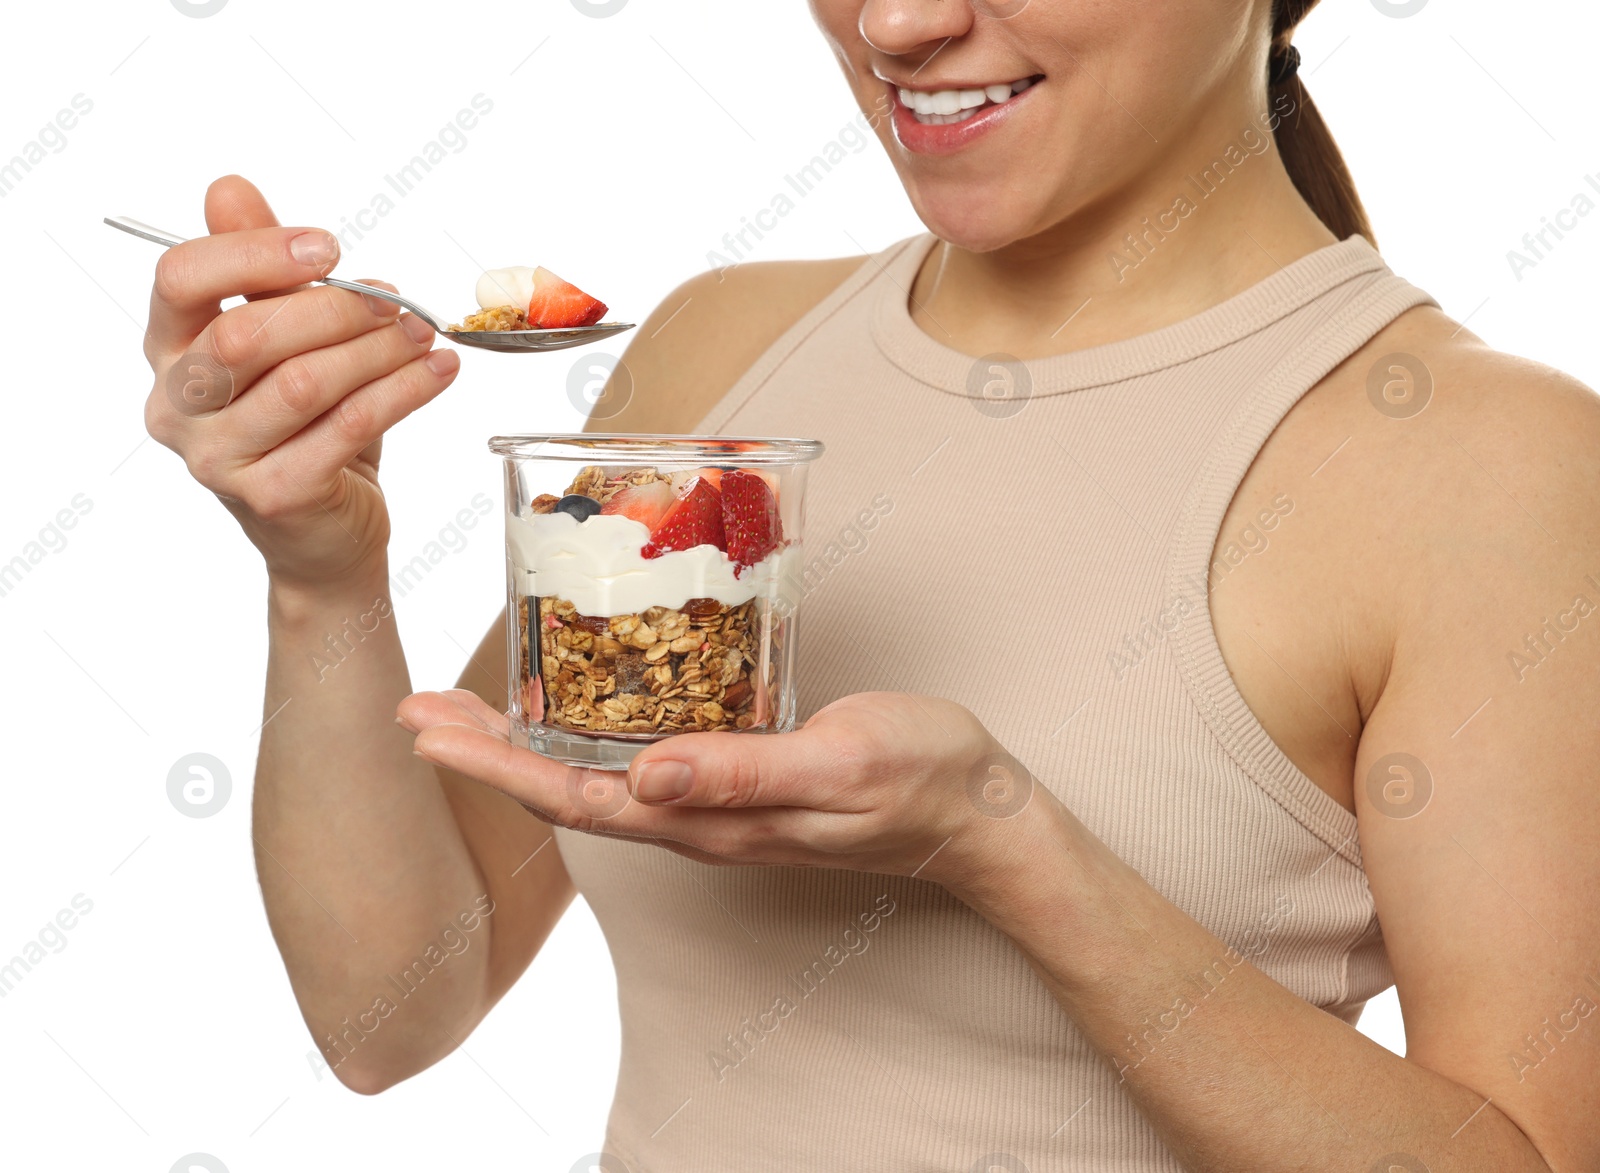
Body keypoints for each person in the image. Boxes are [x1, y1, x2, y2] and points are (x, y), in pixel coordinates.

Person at [138, 0, 1598, 1168]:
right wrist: (321, 575)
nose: (894, 24)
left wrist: (1009, 846)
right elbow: (390, 1009)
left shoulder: (1487, 465)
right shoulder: (720, 356)